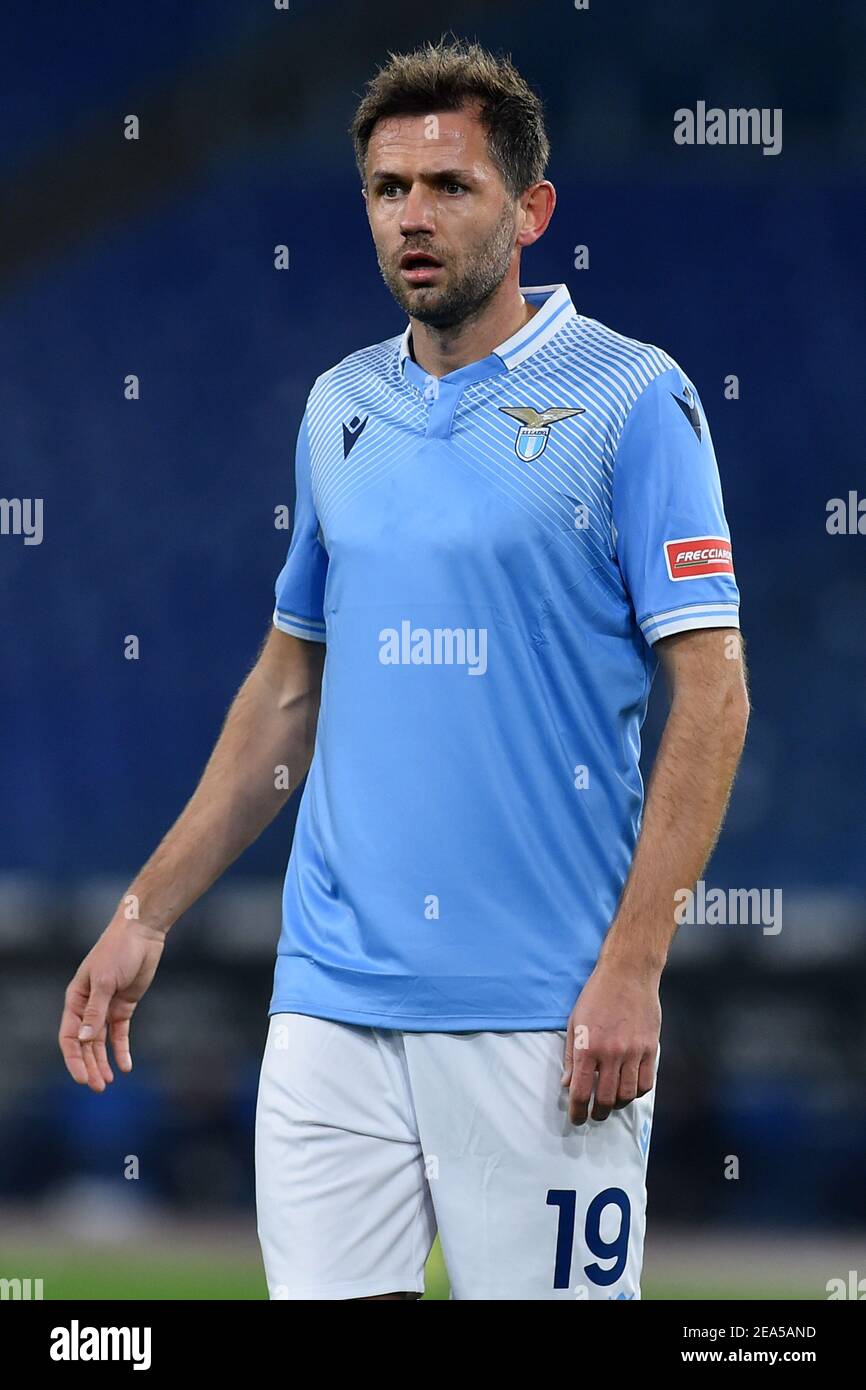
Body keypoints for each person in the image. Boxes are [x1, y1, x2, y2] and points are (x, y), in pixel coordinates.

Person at [60, 37, 749, 1300]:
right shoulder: (337, 409)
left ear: (530, 210)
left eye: (449, 186)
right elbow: (286, 693)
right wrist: (143, 912)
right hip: (329, 1006)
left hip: (541, 1011)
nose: (412, 218)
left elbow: (711, 689)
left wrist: (634, 966)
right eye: (388, 190)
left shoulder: (633, 401)